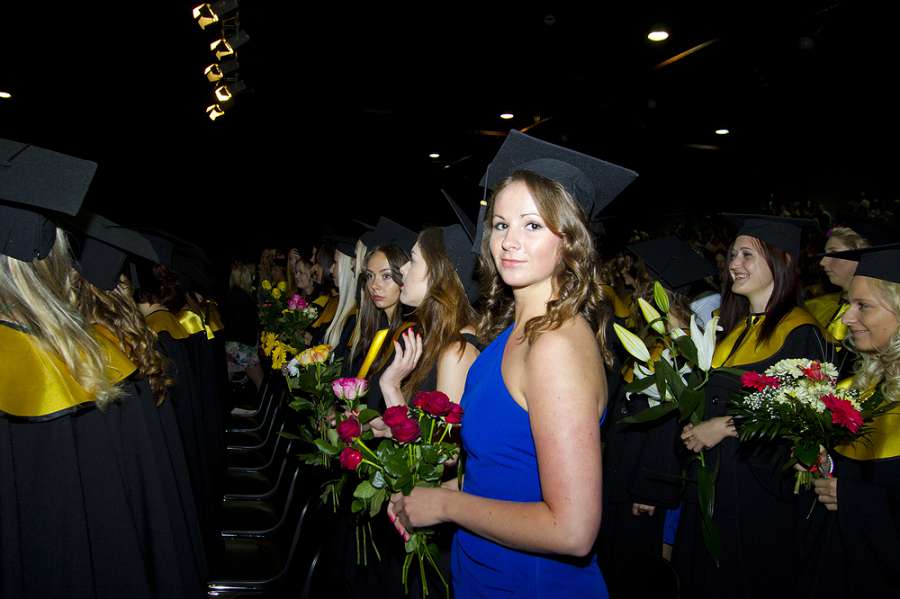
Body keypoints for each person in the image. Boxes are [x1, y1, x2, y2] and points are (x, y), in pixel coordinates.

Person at [389, 130, 637, 597]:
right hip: (485, 570)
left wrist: (446, 506)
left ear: (571, 240)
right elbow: (499, 469)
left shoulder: (555, 345)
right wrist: (430, 495)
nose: (509, 242)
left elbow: (573, 530)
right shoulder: (513, 334)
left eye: (533, 225)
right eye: (501, 225)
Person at [676, 214, 826, 598]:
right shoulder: (733, 327)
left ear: (783, 260)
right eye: (732, 255)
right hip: (715, 481)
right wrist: (696, 422)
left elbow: (804, 417)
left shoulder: (800, 331)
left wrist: (724, 426)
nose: (734, 264)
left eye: (747, 255)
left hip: (757, 491)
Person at [598, 237, 716, 595]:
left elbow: (672, 425)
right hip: (623, 469)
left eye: (645, 285)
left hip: (643, 484)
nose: (638, 291)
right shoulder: (653, 335)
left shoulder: (685, 345)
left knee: (635, 573)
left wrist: (651, 490)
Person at [797, 242, 900, 597]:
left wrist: (852, 498)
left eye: (863, 306)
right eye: (849, 304)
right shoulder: (861, 387)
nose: (846, 318)